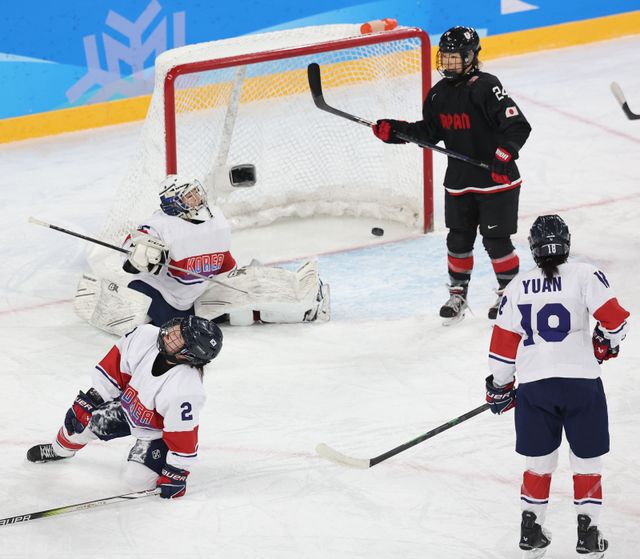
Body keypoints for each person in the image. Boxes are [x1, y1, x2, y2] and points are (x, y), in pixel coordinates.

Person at [485, 215, 630, 557]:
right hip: (582, 386)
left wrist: (500, 386)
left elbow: (502, 347)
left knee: (538, 463)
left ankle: (531, 529)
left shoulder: (517, 286)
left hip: (535, 389)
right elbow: (615, 320)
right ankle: (588, 534)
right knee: (586, 462)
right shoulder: (584, 274)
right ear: (566, 243)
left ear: (533, 248)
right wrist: (606, 341)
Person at [372, 26, 532, 323]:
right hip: (459, 182)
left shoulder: (487, 87)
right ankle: (458, 294)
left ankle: (509, 296)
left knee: (496, 241)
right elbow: (429, 133)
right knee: (458, 241)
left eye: (454, 57)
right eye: (444, 56)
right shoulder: (438, 95)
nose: (448, 62)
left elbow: (518, 126)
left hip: (496, 181)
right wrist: (396, 131)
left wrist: (504, 154)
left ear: (471, 56)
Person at [74, 174, 330, 335]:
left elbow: (222, 257)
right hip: (165, 292)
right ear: (173, 202)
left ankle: (303, 297)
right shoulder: (159, 226)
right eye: (189, 196)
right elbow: (132, 250)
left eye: (196, 192)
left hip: (200, 289)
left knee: (246, 294)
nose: (197, 198)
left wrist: (237, 278)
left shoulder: (215, 216)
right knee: (168, 327)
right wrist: (137, 255)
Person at [27, 315, 224, 499]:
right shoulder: (145, 336)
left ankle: (157, 458)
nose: (170, 333)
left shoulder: (185, 390)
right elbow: (115, 368)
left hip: (154, 432)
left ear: (188, 355)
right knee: (79, 424)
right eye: (177, 328)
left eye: (179, 338)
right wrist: (92, 399)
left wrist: (177, 472)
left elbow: (183, 436)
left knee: (138, 481)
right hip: (126, 407)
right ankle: (60, 450)